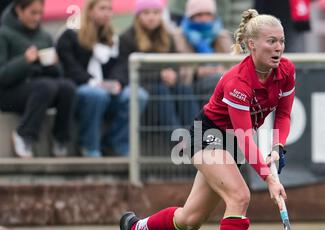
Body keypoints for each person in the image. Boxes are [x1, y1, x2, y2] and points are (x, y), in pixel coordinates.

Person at [116, 9, 296, 230]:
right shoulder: (237, 81)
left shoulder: (285, 70)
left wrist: (278, 146)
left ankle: (135, 229)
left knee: (190, 220)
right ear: (252, 45)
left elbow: (284, 115)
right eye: (270, 41)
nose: (278, 48)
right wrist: (269, 178)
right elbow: (244, 135)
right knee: (239, 195)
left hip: (232, 143)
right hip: (207, 136)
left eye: (281, 41)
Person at [56, 0, 148, 157]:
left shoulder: (115, 39)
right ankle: (88, 146)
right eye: (102, 8)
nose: (107, 13)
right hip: (81, 90)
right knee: (96, 94)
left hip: (109, 91)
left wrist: (116, 83)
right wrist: (95, 83)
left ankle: (116, 143)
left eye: (110, 9)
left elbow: (122, 66)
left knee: (138, 95)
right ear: (90, 11)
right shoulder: (70, 35)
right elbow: (70, 69)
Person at [0, 0, 76, 158]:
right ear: (19, 10)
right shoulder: (4, 34)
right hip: (9, 93)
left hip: (40, 89)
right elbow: (3, 75)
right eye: (32, 13)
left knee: (68, 87)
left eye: (40, 13)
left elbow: (58, 74)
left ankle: (60, 138)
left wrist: (53, 64)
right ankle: (24, 135)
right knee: (45, 86)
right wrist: (24, 61)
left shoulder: (45, 36)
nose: (37, 18)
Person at [110, 0, 199, 130]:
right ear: (138, 16)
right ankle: (178, 140)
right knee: (160, 90)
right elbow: (126, 69)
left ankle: (198, 134)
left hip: (166, 83)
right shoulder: (127, 37)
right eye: (146, 13)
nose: (151, 17)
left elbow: (175, 62)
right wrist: (160, 75)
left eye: (156, 13)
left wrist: (173, 74)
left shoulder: (167, 36)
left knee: (183, 89)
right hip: (143, 85)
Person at [172, 0, 232, 107]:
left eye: (208, 14)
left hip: (218, 83)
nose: (204, 19)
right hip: (190, 86)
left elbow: (233, 65)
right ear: (191, 16)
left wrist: (221, 70)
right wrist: (197, 71)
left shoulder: (222, 36)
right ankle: (203, 123)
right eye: (199, 15)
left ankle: (207, 123)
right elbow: (179, 67)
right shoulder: (178, 36)